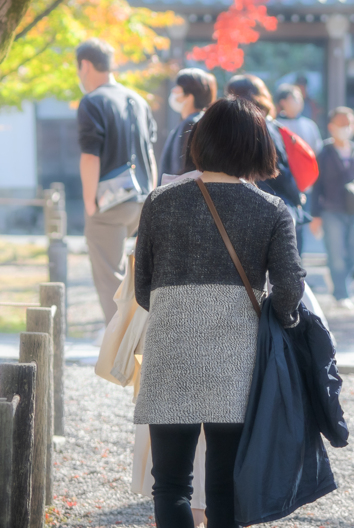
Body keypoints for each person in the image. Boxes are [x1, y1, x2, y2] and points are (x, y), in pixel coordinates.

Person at [133, 96, 307, 528]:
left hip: (171, 349)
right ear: (256, 147)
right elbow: (289, 289)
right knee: (226, 482)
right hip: (237, 357)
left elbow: (143, 289)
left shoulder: (159, 201)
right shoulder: (270, 210)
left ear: (202, 141)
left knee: (170, 483)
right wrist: (279, 322)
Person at [76, 38, 157, 327]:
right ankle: (136, 340)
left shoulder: (92, 101)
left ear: (85, 65)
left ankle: (120, 349)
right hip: (142, 201)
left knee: (110, 277)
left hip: (109, 203)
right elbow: (149, 152)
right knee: (135, 278)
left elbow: (89, 156)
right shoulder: (138, 100)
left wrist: (89, 202)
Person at [309, 108, 354, 307]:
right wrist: (315, 215)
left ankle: (336, 276)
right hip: (331, 210)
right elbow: (317, 185)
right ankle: (341, 294)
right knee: (336, 254)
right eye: (342, 124)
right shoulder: (324, 152)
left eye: (349, 124)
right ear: (331, 127)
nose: (346, 128)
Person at [225, 74, 305, 225]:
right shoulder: (266, 126)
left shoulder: (226, 126)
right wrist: (296, 196)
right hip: (270, 202)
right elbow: (279, 169)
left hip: (234, 204)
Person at [159, 68, 218, 179]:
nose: (173, 91)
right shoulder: (199, 121)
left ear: (190, 95)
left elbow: (181, 166)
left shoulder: (191, 124)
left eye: (178, 87)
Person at [276, 83, 323, 154]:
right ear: (283, 102)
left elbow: (317, 149)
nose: (299, 101)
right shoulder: (275, 125)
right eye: (295, 98)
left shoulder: (309, 125)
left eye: (300, 98)